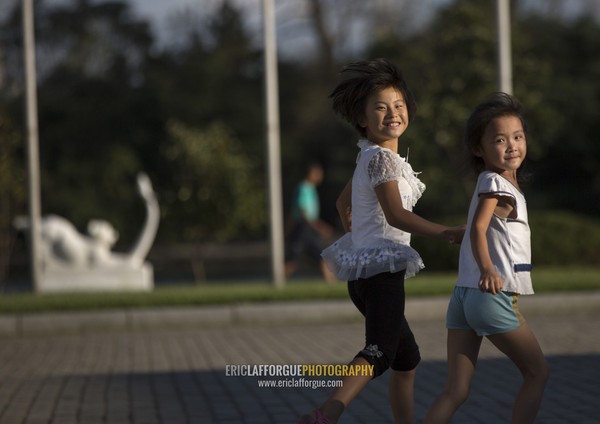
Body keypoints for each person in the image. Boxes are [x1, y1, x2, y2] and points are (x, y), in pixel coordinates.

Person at [298, 58, 464, 424]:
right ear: (362, 117)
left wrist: (359, 236)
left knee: (407, 360)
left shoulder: (370, 157)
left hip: (365, 273)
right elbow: (396, 215)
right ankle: (326, 413)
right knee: (380, 353)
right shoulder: (382, 162)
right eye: (381, 107)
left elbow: (344, 203)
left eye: (399, 105)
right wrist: (447, 231)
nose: (393, 113)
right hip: (381, 274)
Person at [423, 93, 549, 424]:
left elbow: (484, 226)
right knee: (537, 372)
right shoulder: (496, 183)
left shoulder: (488, 182)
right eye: (500, 139)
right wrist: (488, 269)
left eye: (518, 137)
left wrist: (461, 231)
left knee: (456, 390)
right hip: (492, 296)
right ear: (479, 149)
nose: (512, 146)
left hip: (463, 298)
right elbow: (481, 229)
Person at [285, 161, 336, 283]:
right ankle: (277, 280)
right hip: (304, 228)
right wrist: (319, 227)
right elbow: (304, 213)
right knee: (292, 260)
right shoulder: (304, 188)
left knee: (321, 257)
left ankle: (330, 283)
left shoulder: (310, 188)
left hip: (307, 229)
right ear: (312, 173)